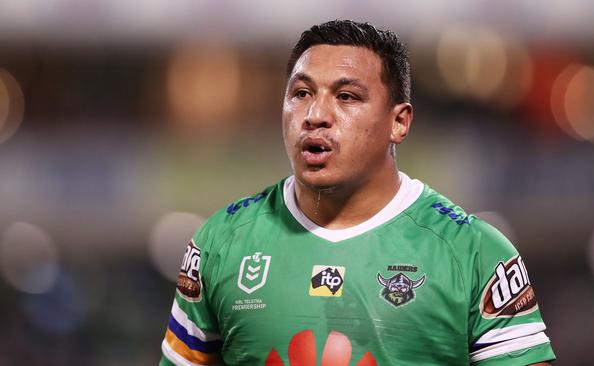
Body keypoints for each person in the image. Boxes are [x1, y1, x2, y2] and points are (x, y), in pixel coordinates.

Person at [159, 20, 556, 366]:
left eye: (346, 96)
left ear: (398, 122)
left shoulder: (474, 253)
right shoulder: (221, 242)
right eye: (301, 93)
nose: (315, 115)